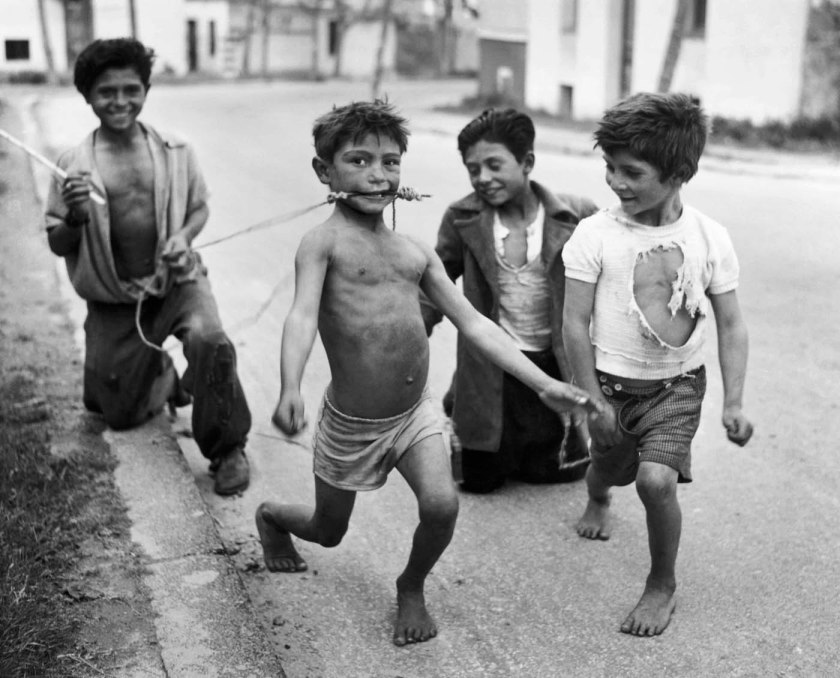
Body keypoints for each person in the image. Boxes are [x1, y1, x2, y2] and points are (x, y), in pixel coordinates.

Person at [254, 100, 597, 646]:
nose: (378, 174)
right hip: (351, 423)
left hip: (414, 416)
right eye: (359, 161)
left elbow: (476, 324)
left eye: (390, 162)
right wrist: (291, 386)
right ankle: (273, 517)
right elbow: (299, 316)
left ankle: (410, 585)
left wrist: (544, 382)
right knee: (329, 530)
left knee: (441, 504)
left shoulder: (414, 253)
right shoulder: (322, 243)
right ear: (325, 172)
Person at [562, 92, 753, 637]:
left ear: (678, 173)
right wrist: (590, 398)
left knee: (654, 482)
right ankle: (597, 495)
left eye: (631, 172)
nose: (616, 183)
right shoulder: (595, 234)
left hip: (677, 388)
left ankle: (661, 585)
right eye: (609, 168)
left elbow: (732, 323)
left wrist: (734, 402)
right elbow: (573, 323)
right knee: (609, 467)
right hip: (610, 389)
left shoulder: (709, 237)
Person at [44, 38, 251, 495]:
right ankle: (161, 373)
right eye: (106, 92)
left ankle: (227, 448)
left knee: (210, 340)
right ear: (87, 96)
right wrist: (75, 215)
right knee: (114, 413)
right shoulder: (72, 167)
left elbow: (199, 209)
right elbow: (59, 243)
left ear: (146, 89)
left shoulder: (176, 150)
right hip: (116, 300)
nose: (120, 101)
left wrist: (183, 237)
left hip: (177, 282)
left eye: (131, 89)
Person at [421, 108, 599, 494]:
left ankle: (543, 433)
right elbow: (435, 288)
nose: (483, 178)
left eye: (494, 165)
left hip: (555, 368)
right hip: (492, 369)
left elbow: (613, 285)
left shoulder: (577, 217)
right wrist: (408, 337)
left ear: (527, 162)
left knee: (552, 472)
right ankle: (461, 403)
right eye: (473, 169)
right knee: (481, 480)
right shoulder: (461, 218)